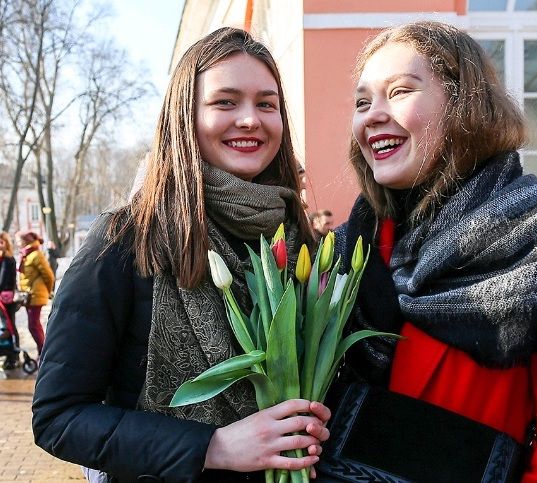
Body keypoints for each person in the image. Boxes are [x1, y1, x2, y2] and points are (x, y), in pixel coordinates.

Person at [31, 27, 330, 482]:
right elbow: (58, 418)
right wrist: (213, 446)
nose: (250, 119)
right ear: (184, 117)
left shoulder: (295, 241)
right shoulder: (124, 242)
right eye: (225, 102)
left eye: (266, 104)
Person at [332, 21, 537, 482]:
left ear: (465, 104)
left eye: (400, 92)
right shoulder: (351, 245)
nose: (372, 114)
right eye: (363, 101)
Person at [15, 230, 54, 357]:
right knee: (34, 325)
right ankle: (42, 352)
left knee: (33, 326)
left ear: (26, 240)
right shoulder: (26, 255)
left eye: (19, 240)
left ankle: (43, 352)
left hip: (35, 295)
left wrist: (47, 291)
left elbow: (49, 276)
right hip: (29, 296)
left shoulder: (36, 254)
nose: (17, 243)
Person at [0, 231, 18, 370]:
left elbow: (4, 279)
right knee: (6, 325)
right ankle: (9, 353)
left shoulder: (8, 258)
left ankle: (13, 355)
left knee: (10, 324)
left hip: (6, 298)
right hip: (3, 296)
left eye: (1, 242)